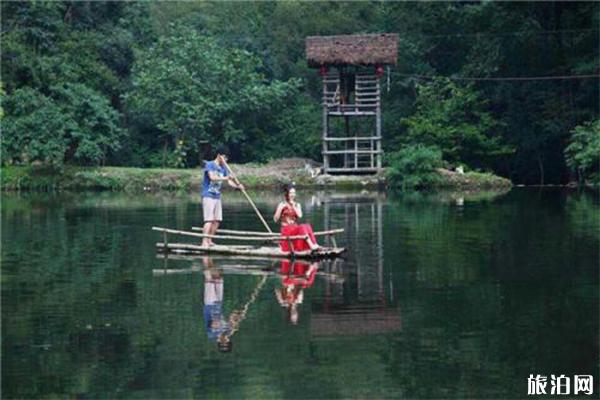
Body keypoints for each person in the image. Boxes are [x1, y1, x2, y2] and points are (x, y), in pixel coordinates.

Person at [201, 152, 243, 247]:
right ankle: (204, 242)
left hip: (217, 196)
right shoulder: (210, 164)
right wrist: (226, 177)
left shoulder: (223, 168)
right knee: (209, 220)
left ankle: (209, 240)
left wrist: (237, 186)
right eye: (225, 157)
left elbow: (229, 182)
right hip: (208, 195)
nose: (226, 160)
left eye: (227, 158)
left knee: (217, 220)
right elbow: (212, 178)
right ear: (219, 156)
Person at [273, 183, 321, 253]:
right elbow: (275, 219)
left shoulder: (297, 204)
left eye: (294, 193)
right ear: (287, 194)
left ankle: (314, 244)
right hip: (286, 230)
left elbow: (300, 215)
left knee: (307, 225)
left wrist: (294, 207)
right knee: (302, 227)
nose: (293, 195)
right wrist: (280, 208)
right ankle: (311, 246)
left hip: (294, 228)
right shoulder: (282, 204)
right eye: (291, 193)